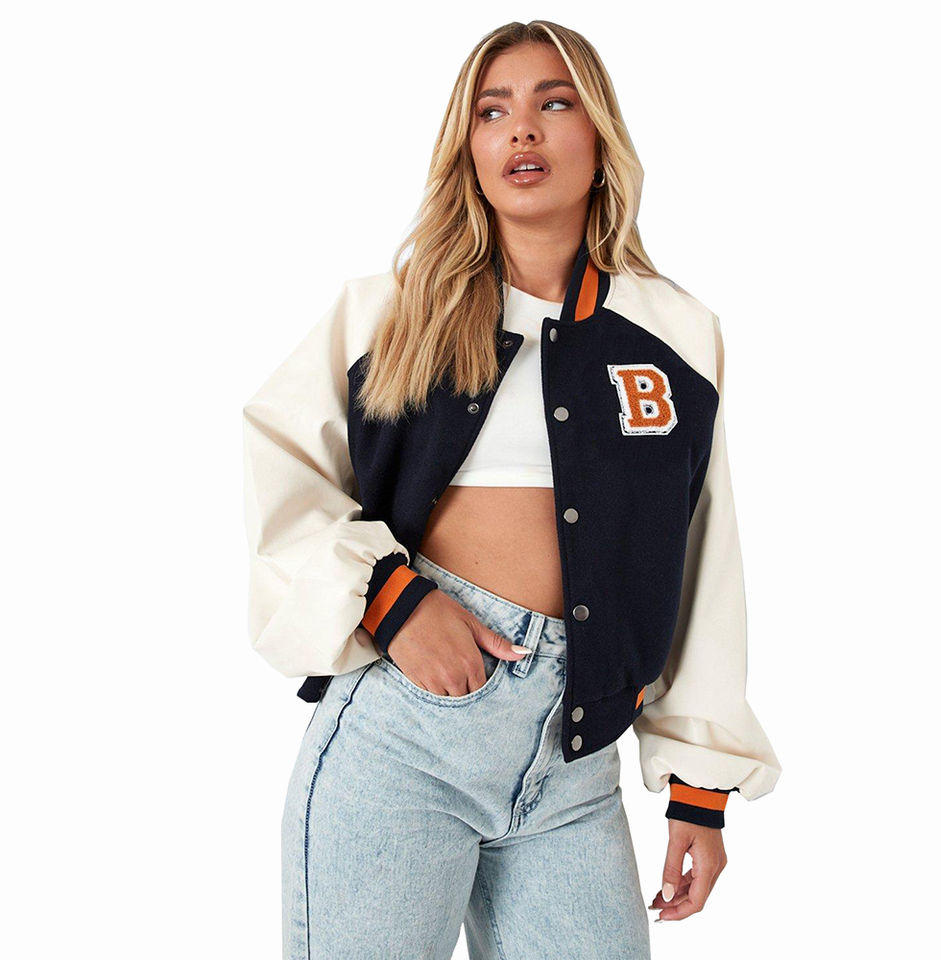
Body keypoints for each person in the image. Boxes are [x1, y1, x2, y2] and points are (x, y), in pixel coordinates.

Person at [241, 19, 781, 960]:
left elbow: (705, 556)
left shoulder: (677, 334)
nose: (521, 129)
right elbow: (283, 474)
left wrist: (701, 783)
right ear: (469, 149)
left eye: (553, 102)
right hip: (405, 734)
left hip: (576, 768)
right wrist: (394, 602)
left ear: (599, 135)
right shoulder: (391, 312)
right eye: (492, 112)